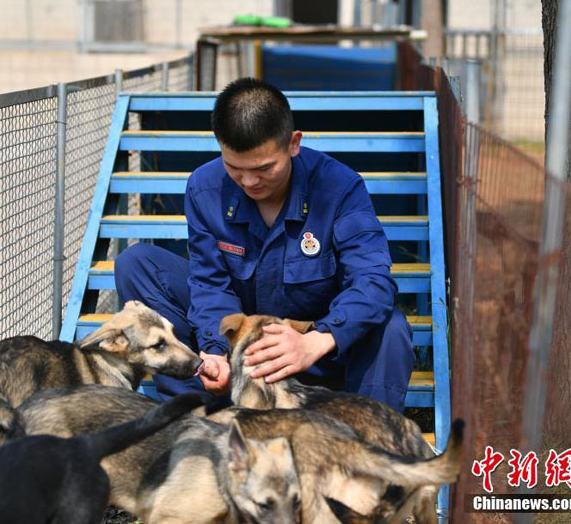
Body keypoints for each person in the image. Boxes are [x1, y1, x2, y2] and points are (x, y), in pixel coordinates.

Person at [115, 78, 414, 412]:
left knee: (390, 326)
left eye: (263, 168)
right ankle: (193, 418)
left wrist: (316, 340)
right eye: (235, 168)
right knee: (137, 263)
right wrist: (215, 350)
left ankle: (365, 441)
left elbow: (373, 281)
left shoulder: (339, 187)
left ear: (293, 144)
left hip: (319, 356)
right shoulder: (204, 187)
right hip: (240, 349)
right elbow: (209, 282)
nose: (249, 182)